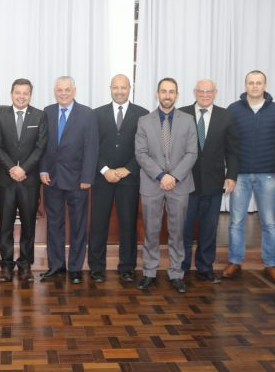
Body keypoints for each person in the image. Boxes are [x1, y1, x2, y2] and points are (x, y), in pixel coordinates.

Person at [135, 77, 198, 293]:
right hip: (153, 184)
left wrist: (174, 176)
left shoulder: (188, 120)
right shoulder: (144, 121)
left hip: (179, 185)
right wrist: (161, 175)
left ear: (177, 95)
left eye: (171, 91)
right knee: (151, 231)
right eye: (163, 91)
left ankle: (176, 273)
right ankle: (150, 272)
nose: (167, 95)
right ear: (157, 94)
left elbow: (192, 153)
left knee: (177, 231)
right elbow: (140, 153)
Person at [223, 70, 275, 284]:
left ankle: (271, 264)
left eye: (259, 83)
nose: (255, 86)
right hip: (239, 174)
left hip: (267, 174)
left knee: (269, 222)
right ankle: (234, 261)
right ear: (246, 85)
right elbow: (229, 144)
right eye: (251, 83)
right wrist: (229, 173)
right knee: (236, 221)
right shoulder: (233, 110)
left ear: (265, 85)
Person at [88, 74, 148, 283]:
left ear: (129, 89)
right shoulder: (96, 114)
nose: (120, 91)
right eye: (116, 87)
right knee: (98, 223)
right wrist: (105, 169)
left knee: (128, 223)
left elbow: (144, 149)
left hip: (129, 179)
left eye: (124, 88)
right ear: (110, 88)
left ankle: (127, 267)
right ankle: (96, 267)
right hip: (103, 177)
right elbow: (92, 147)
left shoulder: (142, 115)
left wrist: (127, 169)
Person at [39, 76, 99, 284]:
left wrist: (87, 176)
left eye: (67, 90)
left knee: (78, 224)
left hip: (77, 180)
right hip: (52, 179)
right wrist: (43, 169)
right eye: (59, 90)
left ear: (74, 91)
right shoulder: (47, 112)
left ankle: (75, 268)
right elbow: (43, 144)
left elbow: (92, 147)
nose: (63, 93)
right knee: (54, 224)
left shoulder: (87, 114)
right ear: (54, 91)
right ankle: (56, 266)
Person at [178, 79, 239, 283]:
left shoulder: (226, 116)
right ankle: (182, 266)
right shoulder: (181, 113)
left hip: (214, 182)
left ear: (215, 92)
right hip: (186, 181)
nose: (205, 94)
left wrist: (231, 176)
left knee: (209, 227)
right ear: (194, 92)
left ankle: (205, 268)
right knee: (184, 228)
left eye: (209, 91)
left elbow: (232, 151)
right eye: (201, 91)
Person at [0, 78, 48, 282]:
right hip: (5, 180)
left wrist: (23, 169)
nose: (21, 96)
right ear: (11, 93)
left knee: (28, 224)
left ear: (30, 95)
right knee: (5, 224)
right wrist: (11, 168)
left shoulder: (40, 116)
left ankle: (25, 265)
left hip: (29, 180)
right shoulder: (0, 115)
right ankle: (6, 266)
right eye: (18, 92)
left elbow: (40, 147)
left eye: (25, 93)